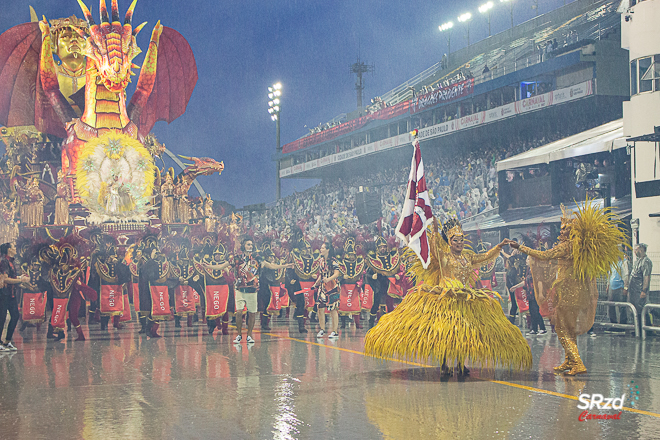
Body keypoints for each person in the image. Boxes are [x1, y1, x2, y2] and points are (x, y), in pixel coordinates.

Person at [365, 218, 531, 377]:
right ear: (450, 242)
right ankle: (444, 364)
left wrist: (499, 247)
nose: (458, 243)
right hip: (445, 301)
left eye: (460, 240)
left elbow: (485, 257)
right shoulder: (444, 256)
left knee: (463, 335)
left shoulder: (468, 257)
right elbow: (435, 247)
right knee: (446, 334)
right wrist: (436, 230)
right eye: (455, 240)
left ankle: (460, 363)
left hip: (465, 300)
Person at [511, 203, 626, 375]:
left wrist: (520, 247)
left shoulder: (566, 246)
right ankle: (569, 360)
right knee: (568, 328)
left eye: (565, 229)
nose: (561, 231)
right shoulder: (577, 247)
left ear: (572, 232)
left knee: (561, 328)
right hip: (576, 291)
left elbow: (544, 255)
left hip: (568, 292)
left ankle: (577, 362)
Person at [0, 243, 29, 350]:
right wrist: (21, 280)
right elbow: (5, 279)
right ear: (8, 250)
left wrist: (20, 278)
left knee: (15, 316)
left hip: (11, 294)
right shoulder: (4, 261)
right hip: (3, 294)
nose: (15, 248)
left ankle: (7, 341)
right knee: (1, 318)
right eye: (13, 247)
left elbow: (12, 277)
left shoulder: (11, 261)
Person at [315, 242, 341, 339]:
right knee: (320, 308)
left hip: (332, 287)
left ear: (328, 250)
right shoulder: (321, 261)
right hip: (322, 287)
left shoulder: (333, 261)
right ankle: (322, 329)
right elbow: (321, 274)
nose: (321, 249)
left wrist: (329, 279)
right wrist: (316, 283)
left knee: (333, 309)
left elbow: (336, 273)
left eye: (322, 248)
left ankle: (334, 331)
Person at [628, 243, 652, 335]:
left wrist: (644, 290)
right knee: (636, 311)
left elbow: (646, 277)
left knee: (642, 311)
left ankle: (646, 331)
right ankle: (638, 330)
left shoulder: (646, 262)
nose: (634, 251)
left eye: (636, 249)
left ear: (641, 250)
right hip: (634, 291)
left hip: (639, 291)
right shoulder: (638, 261)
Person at [604, 248, 630, 334]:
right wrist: (608, 285)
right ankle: (613, 323)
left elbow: (626, 275)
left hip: (620, 287)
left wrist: (625, 287)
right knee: (611, 306)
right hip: (612, 287)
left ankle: (622, 325)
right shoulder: (613, 262)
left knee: (621, 306)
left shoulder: (624, 262)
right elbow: (610, 274)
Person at [524, 256, 547, 336]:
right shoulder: (528, 270)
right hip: (530, 293)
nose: (526, 261)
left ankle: (542, 328)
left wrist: (540, 293)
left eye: (528, 259)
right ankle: (534, 329)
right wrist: (516, 287)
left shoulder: (536, 270)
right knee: (532, 311)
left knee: (536, 311)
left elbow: (539, 282)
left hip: (535, 293)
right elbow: (525, 282)